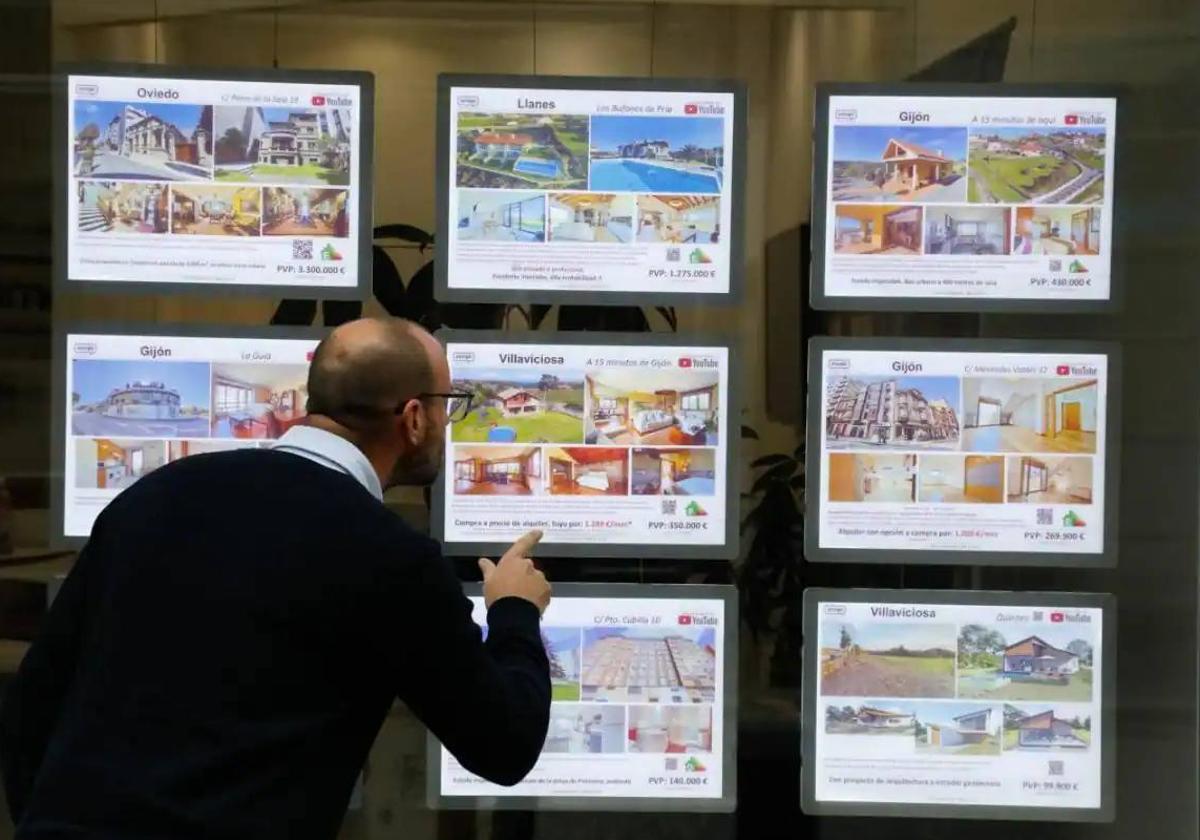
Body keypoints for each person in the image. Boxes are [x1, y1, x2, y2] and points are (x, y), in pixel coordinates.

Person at [0, 318, 553, 839]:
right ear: (412, 418)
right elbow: (503, 746)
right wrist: (514, 611)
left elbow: (35, 703)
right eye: (444, 406)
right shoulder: (391, 559)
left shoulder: (153, 497)